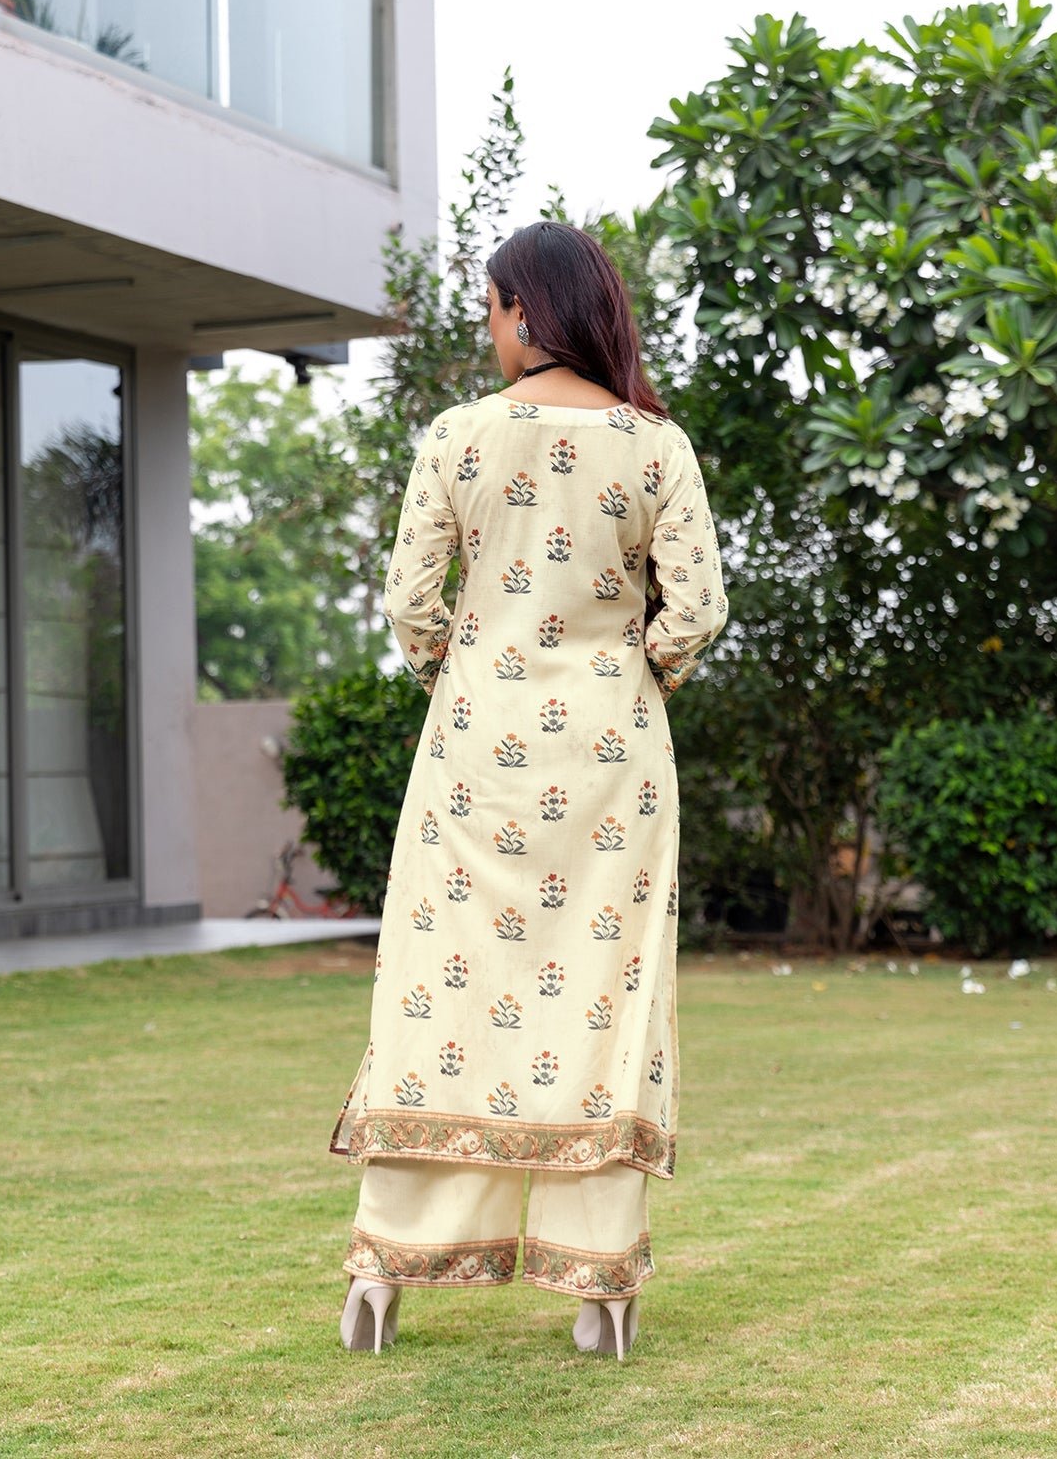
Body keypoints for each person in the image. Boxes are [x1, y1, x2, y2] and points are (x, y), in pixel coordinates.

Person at [330, 220, 730, 1359]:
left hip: (475, 754)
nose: (492, 331)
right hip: (613, 765)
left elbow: (411, 602)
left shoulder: (458, 437)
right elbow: (695, 611)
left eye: (493, 310)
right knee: (603, 1001)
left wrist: (462, 684)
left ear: (524, 310)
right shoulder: (655, 446)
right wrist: (628, 682)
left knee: (437, 994)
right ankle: (600, 1292)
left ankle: (384, 1275)